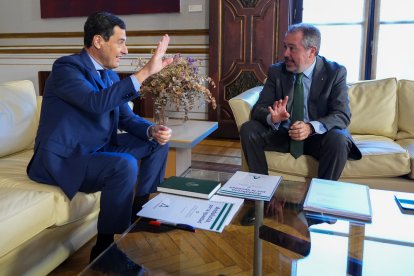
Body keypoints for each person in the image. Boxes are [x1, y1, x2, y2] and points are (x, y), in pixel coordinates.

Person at [27, 11, 173, 273]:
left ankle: (138, 216)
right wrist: (144, 73)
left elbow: (126, 119)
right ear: (98, 41)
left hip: (98, 149)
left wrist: (152, 130)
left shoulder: (109, 75)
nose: (125, 50)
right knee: (124, 165)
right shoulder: (66, 68)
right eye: (121, 42)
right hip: (64, 159)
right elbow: (96, 104)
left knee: (156, 143)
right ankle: (104, 250)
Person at [239, 23, 362, 225]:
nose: (285, 53)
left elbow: (342, 115)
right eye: (284, 46)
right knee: (249, 129)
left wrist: (311, 127)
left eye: (292, 48)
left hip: (316, 139)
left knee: (338, 139)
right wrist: (273, 118)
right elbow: (258, 109)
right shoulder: (277, 72)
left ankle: (320, 208)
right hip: (283, 134)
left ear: (311, 51)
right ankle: (261, 201)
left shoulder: (335, 72)